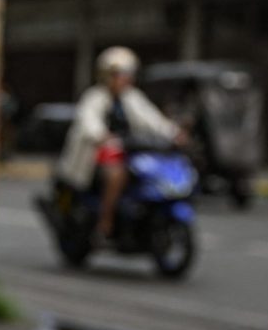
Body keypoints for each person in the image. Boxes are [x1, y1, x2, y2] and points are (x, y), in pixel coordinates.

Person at [57, 46, 182, 240]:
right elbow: (88, 121)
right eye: (120, 74)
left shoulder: (132, 98)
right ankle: (105, 221)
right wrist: (102, 136)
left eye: (128, 74)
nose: (125, 79)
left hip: (128, 152)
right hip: (96, 158)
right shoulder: (94, 97)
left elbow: (152, 119)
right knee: (116, 175)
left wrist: (174, 133)